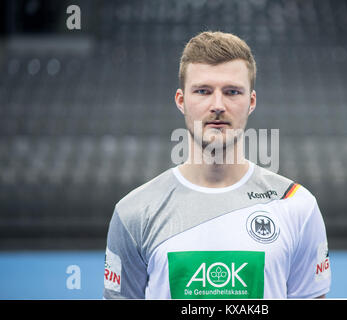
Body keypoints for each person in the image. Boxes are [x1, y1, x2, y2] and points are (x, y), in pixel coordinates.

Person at [103, 31, 331, 299]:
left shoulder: (297, 205)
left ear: (251, 102)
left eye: (232, 92)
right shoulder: (134, 212)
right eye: (203, 91)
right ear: (181, 101)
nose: (218, 105)